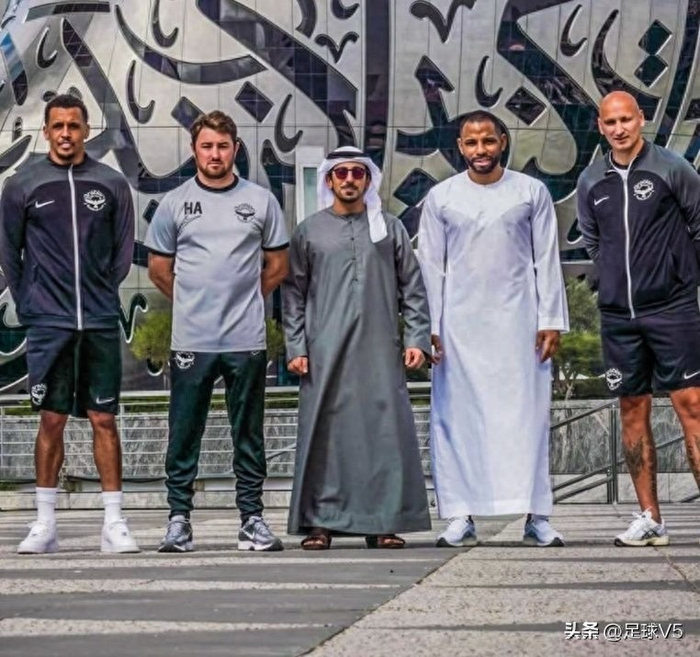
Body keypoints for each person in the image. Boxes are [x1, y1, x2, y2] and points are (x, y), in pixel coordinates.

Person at [418, 110, 569, 548]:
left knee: (528, 420)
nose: (480, 150)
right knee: (456, 420)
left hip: (520, 326)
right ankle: (459, 514)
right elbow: (431, 266)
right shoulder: (441, 197)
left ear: (503, 141)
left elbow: (546, 258)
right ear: (460, 147)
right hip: (458, 330)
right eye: (471, 142)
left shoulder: (531, 191)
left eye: (488, 140)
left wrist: (551, 320)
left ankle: (537, 515)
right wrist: (430, 327)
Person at [0, 94, 139, 554]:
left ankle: (114, 524)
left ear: (85, 130)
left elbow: (122, 254)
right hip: (48, 322)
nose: (65, 134)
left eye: (73, 126)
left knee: (104, 418)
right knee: (51, 419)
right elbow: (9, 254)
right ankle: (44, 523)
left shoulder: (111, 184)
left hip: (99, 319)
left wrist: (99, 294)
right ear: (45, 131)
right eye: (57, 126)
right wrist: (32, 303)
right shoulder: (22, 184)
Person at [145, 110, 289, 552]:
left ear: (235, 149)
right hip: (192, 340)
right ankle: (178, 520)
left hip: (246, 339)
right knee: (184, 432)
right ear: (194, 151)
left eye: (223, 146)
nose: (215, 154)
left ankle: (252, 520)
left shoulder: (261, 201)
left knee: (249, 434)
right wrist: (195, 302)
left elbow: (277, 265)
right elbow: (159, 269)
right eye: (207, 146)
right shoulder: (174, 203)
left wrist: (243, 299)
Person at [282, 145, 432, 550]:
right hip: (323, 351)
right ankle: (319, 523)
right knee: (325, 436)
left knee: (384, 434)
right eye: (341, 173)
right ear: (329, 180)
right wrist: (296, 346)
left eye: (357, 173)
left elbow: (413, 289)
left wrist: (417, 338)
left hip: (380, 349)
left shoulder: (390, 228)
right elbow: (293, 295)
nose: (349, 180)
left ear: (368, 180)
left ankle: (384, 522)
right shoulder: (308, 231)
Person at [577, 90, 700, 546]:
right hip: (618, 316)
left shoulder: (672, 168)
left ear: (641, 119)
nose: (619, 129)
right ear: (600, 126)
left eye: (626, 119)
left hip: (673, 309)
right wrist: (615, 278)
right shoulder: (591, 180)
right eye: (610, 122)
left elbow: (699, 224)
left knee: (692, 406)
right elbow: (593, 242)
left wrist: (679, 275)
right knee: (631, 410)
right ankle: (651, 520)